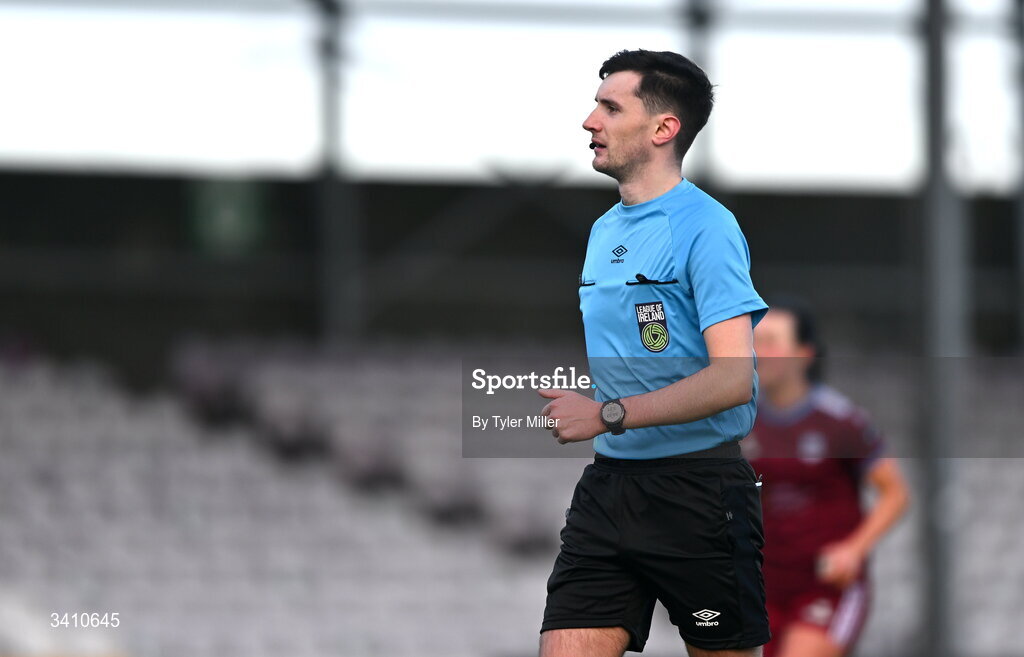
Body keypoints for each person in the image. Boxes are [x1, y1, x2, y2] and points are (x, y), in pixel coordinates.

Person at [536, 49, 770, 657]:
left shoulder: (707, 227)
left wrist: (606, 414)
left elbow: (731, 380)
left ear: (664, 129)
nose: (591, 120)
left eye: (611, 107)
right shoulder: (603, 230)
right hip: (610, 489)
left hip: (699, 494)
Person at [748, 301, 910, 657]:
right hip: (765, 584)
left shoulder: (840, 422)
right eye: (755, 341)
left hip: (825, 585)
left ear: (804, 354)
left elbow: (895, 494)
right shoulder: (741, 421)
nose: (760, 352)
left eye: (772, 341)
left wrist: (854, 549)